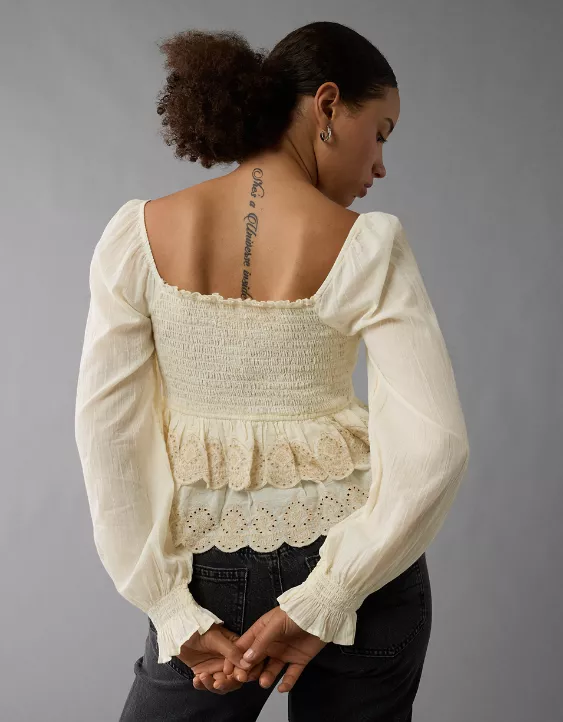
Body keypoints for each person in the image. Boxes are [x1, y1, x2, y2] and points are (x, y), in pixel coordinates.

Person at [74, 20, 470, 722]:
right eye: (380, 133)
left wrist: (169, 608)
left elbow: (107, 436)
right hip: (361, 570)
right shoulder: (368, 245)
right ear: (327, 106)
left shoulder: (136, 237)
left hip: (204, 574)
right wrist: (329, 596)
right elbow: (436, 445)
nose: (380, 165)